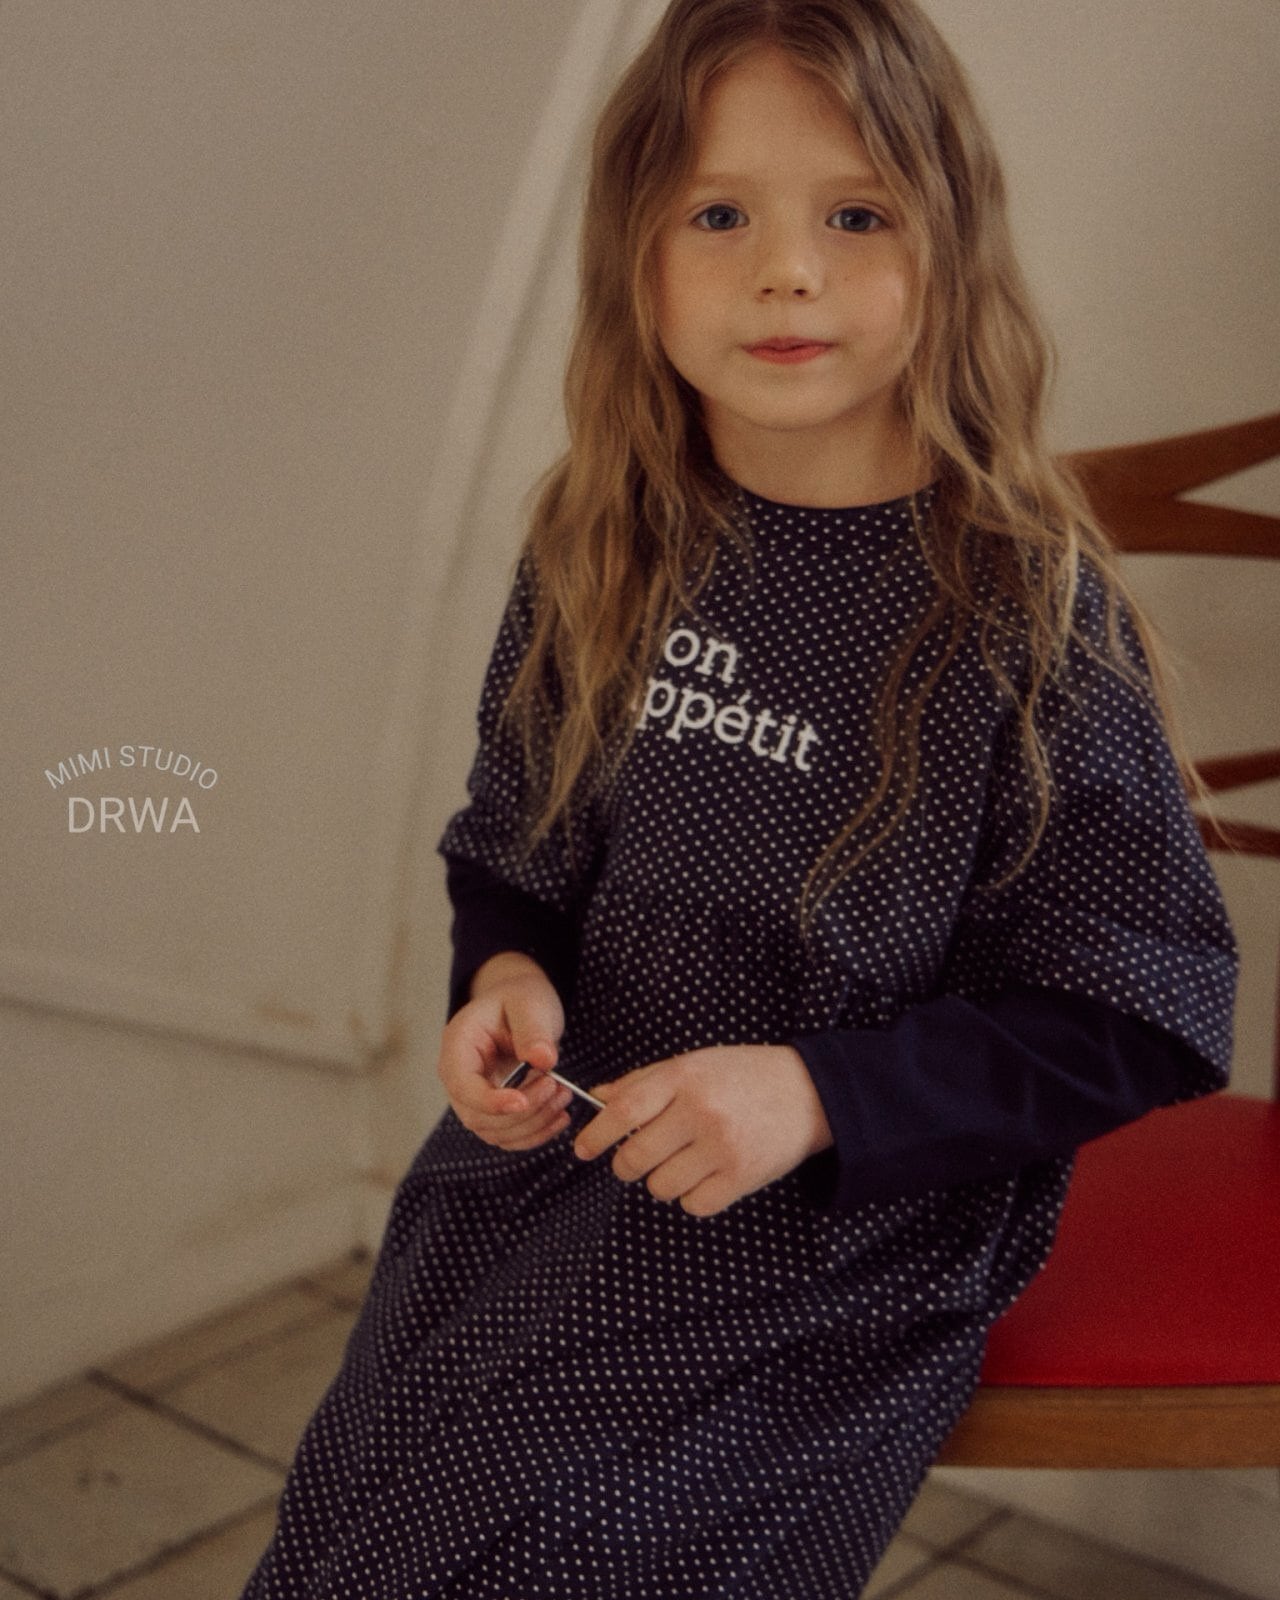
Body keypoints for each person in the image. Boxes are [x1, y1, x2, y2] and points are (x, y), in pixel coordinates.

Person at [242, 2, 1238, 1595]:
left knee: (589, 1541)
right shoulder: (601, 546)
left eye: (857, 215)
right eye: (720, 215)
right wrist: (505, 979)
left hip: (852, 1213)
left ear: (951, 250)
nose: (786, 271)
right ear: (635, 259)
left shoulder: (1027, 617)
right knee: (371, 1501)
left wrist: (814, 1099)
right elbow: (513, 849)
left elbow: (1142, 1009)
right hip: (574, 1162)